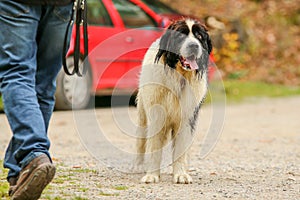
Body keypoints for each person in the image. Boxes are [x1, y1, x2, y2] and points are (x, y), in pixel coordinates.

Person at [0, 0, 73, 199]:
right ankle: (21, 172)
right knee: (43, 85)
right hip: (62, 4)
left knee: (17, 73)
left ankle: (33, 152)